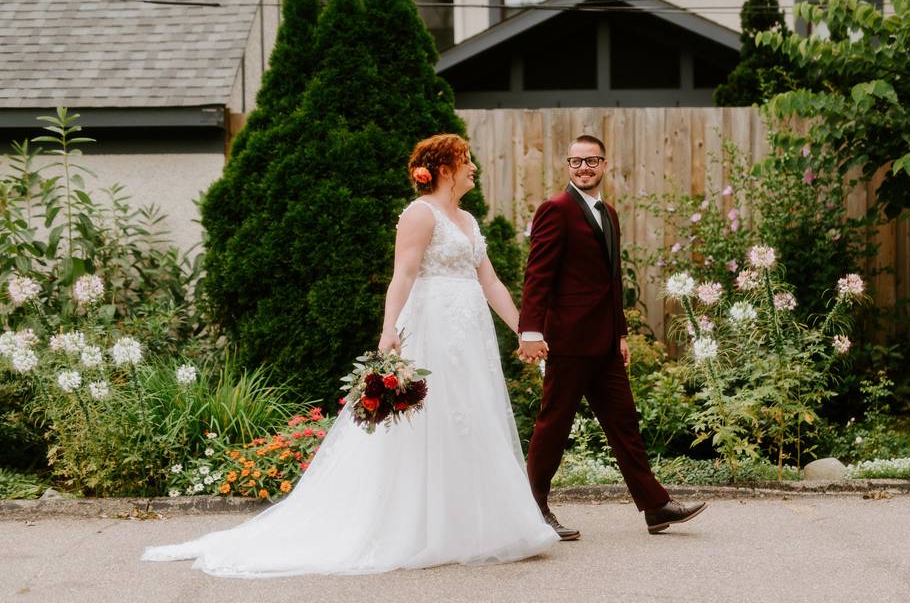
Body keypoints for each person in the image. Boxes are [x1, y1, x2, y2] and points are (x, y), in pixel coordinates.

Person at [142, 134, 557, 576]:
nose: (474, 167)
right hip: (433, 327)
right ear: (444, 169)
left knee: (472, 416)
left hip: (470, 333)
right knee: (430, 421)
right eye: (466, 160)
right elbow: (404, 274)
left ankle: (473, 525)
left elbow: (490, 282)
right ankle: (421, 527)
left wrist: (523, 329)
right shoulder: (420, 214)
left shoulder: (469, 220)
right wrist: (388, 331)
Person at [518, 134, 707, 539]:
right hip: (567, 342)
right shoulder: (556, 210)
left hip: (604, 344)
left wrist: (620, 333)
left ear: (605, 165)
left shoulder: (610, 214)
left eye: (591, 161)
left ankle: (656, 507)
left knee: (624, 424)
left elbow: (612, 282)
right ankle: (532, 511)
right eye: (575, 162)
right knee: (554, 425)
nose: (583, 168)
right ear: (567, 166)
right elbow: (538, 275)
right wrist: (531, 330)